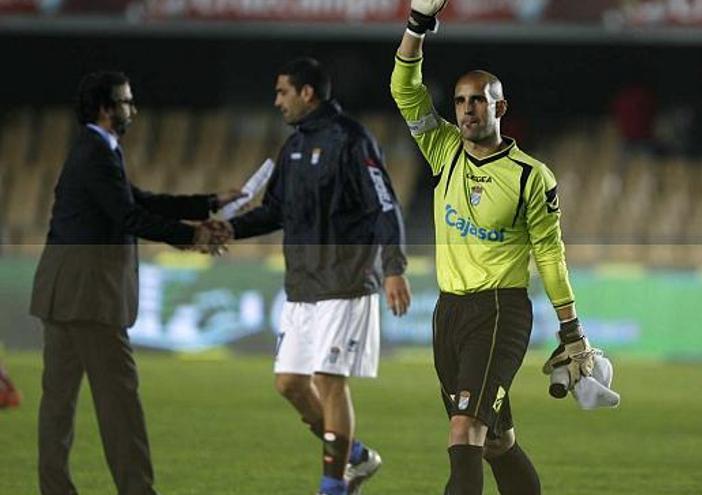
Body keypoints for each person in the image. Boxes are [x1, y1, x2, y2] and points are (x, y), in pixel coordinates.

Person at [391, 2, 598, 493]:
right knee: (496, 443)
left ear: (499, 108)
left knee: (464, 432)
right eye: (461, 100)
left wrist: (571, 329)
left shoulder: (530, 176)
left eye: (478, 101)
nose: (466, 109)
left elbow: (549, 254)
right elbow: (404, 89)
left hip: (499, 313)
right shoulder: (442, 151)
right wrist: (417, 24)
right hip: (449, 313)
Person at [30, 70, 241, 495]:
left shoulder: (95, 150)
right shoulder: (95, 153)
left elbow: (138, 200)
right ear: (106, 109)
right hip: (89, 299)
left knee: (58, 404)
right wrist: (194, 236)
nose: (134, 109)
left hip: (62, 293)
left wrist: (208, 203)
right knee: (120, 404)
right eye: (126, 102)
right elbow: (130, 216)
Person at [213, 58, 410, 495]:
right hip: (302, 286)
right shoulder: (294, 147)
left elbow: (385, 205)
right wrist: (230, 228)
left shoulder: (352, 139)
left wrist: (394, 269)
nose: (277, 101)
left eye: (283, 92)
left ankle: (332, 486)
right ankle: (356, 456)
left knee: (329, 381)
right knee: (290, 384)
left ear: (307, 93)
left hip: (345, 280)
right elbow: (273, 211)